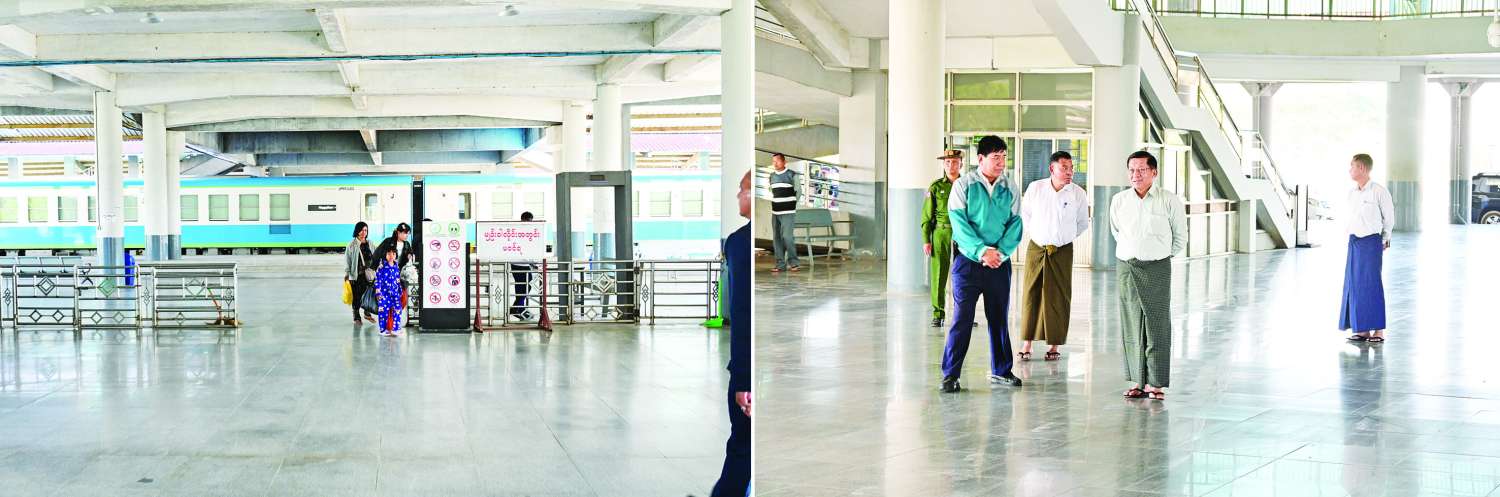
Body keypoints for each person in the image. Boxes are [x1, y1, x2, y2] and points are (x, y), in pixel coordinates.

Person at [940, 136, 1024, 393]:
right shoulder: (964, 185)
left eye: (1004, 157)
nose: (1001, 162)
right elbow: (959, 224)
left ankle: (1002, 370)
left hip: (999, 263)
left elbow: (1015, 224)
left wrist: (1000, 253)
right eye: (996, 157)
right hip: (968, 263)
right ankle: (951, 375)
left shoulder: (1010, 187)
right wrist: (981, 251)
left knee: (999, 318)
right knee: (962, 318)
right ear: (980, 159)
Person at [1110, 150, 1187, 401]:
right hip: (1127, 267)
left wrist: (1159, 255)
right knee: (1132, 324)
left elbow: (1180, 237)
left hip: (1157, 267)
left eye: (1142, 170)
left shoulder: (1168, 200)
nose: (1136, 175)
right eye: (1132, 170)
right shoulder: (1119, 200)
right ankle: (1137, 381)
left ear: (1154, 172)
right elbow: (1117, 232)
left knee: (1157, 325)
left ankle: (1156, 383)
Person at [1018, 151, 1090, 361]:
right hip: (1036, 248)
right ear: (1052, 168)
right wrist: (1039, 235)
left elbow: (1082, 223)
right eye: (1064, 168)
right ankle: (1027, 343)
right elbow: (1026, 215)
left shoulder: (1078, 193)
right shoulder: (1036, 188)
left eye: (1071, 168)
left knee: (1059, 296)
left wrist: (1063, 238)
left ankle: (1054, 344)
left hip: (1062, 250)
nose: (1069, 172)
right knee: (1031, 294)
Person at [710, 171, 752, 497]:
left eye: (742, 189)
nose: (738, 195)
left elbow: (741, 314)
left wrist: (742, 381)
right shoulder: (739, 242)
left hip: (748, 374)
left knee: (742, 449)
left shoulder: (739, 243)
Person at [1341, 153, 1394, 343]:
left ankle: (1378, 331)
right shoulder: (1352, 193)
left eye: (1352, 166)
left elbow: (1389, 218)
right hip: (1354, 241)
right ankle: (1362, 330)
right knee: (1354, 284)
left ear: (1362, 168)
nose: (1350, 170)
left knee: (1372, 284)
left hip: (1371, 242)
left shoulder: (1379, 191)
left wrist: (1385, 238)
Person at [922, 149, 963, 328]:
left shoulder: (968, 185)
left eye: (954, 162)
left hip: (963, 235)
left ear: (961, 164)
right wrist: (926, 239)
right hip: (941, 233)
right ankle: (938, 314)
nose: (951, 165)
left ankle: (964, 314)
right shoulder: (936, 187)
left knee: (964, 276)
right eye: (947, 162)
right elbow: (927, 216)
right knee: (939, 275)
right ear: (943, 165)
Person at [768, 153, 801, 272]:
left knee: (787, 237)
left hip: (788, 211)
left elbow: (798, 191)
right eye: (773, 161)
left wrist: (791, 204)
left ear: (784, 162)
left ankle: (794, 262)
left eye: (777, 161)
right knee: (776, 238)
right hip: (775, 211)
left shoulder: (792, 174)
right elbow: (772, 191)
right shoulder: (772, 176)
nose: (775, 163)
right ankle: (780, 264)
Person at [345, 222, 376, 324]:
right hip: (357, 275)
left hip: (369, 275)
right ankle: (356, 316)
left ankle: (367, 313)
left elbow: (375, 256)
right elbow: (348, 260)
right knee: (357, 296)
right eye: (361, 230)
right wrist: (347, 274)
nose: (364, 232)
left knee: (369, 294)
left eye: (365, 230)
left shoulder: (370, 243)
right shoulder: (352, 244)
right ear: (357, 231)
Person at [510, 211, 536, 319]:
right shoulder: (522, 231)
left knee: (521, 287)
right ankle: (517, 308)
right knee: (525, 287)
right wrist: (532, 263)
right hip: (520, 264)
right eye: (529, 220)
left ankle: (519, 309)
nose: (530, 222)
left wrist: (532, 263)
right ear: (524, 220)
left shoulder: (520, 230)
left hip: (519, 264)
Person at [374, 248, 405, 336]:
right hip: (384, 294)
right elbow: (378, 280)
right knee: (383, 312)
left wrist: (400, 290)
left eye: (393, 254)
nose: (391, 256)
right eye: (389, 254)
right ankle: (383, 330)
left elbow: (397, 279)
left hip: (395, 293)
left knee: (398, 310)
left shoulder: (396, 266)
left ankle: (396, 329)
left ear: (396, 255)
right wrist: (378, 292)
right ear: (385, 255)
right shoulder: (381, 267)